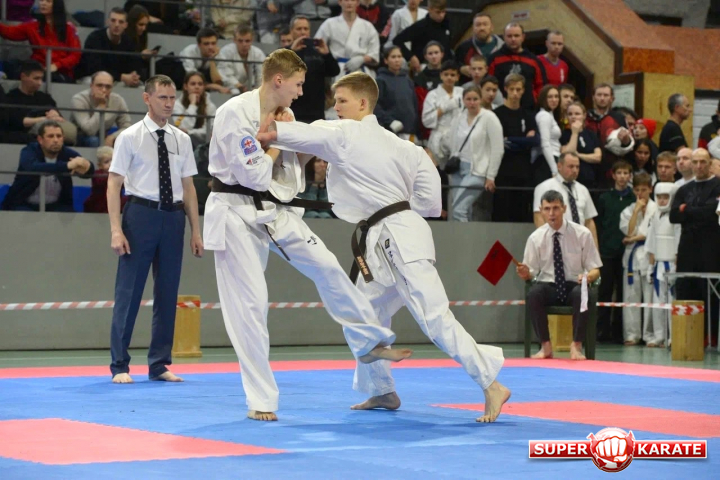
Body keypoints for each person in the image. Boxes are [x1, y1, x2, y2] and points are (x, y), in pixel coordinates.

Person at [258, 71, 510, 423]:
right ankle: (382, 390)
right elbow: (431, 203)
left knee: (434, 317)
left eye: (342, 100)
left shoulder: (346, 132)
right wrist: (394, 204)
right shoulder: (408, 147)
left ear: (363, 103)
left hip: (397, 238)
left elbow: (305, 133)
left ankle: (490, 383)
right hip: (396, 231)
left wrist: (275, 126)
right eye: (334, 101)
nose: (336, 107)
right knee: (363, 313)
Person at [204, 50, 409, 422]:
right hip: (234, 213)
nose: (301, 92)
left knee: (327, 265)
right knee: (250, 306)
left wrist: (295, 141)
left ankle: (370, 341)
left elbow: (291, 172)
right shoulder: (235, 113)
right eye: (298, 84)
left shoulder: (286, 114)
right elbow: (254, 176)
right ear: (279, 80)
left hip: (275, 209)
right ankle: (261, 399)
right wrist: (280, 139)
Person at [106, 75, 204, 384]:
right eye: (163, 97)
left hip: (173, 218)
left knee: (167, 292)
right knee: (129, 292)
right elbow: (113, 184)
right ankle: (120, 365)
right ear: (147, 98)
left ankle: (159, 364)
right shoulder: (130, 137)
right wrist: (116, 229)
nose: (169, 103)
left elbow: (189, 187)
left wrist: (196, 230)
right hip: (140, 215)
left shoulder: (181, 139)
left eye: (172, 98)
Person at [517, 189, 602, 360]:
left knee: (582, 293)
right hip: (548, 284)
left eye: (555, 208)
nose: (551, 213)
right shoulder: (535, 238)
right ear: (541, 210)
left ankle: (576, 345)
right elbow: (531, 273)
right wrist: (525, 274)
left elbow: (595, 269)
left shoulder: (582, 233)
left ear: (564, 208)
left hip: (574, 283)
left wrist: (588, 277)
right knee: (534, 294)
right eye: (547, 209)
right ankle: (545, 346)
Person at [670, 148, 720, 346]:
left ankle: (710, 335)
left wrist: (687, 210)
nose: (699, 166)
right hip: (687, 249)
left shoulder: (717, 185)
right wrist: (695, 211)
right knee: (685, 289)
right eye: (696, 162)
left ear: (709, 163)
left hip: (711, 249)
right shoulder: (684, 189)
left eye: (703, 162)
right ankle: (686, 336)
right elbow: (674, 215)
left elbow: (712, 214)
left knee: (709, 292)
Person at [1, 120, 94, 211]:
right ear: (40, 140)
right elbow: (31, 168)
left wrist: (87, 166)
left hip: (56, 206)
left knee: (68, 213)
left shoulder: (67, 153)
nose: (56, 140)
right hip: (24, 204)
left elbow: (89, 171)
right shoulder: (29, 150)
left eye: (59, 136)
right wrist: (67, 166)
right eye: (50, 136)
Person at [444, 85, 503, 222]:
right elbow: (451, 142)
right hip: (457, 169)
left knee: (459, 209)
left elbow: (498, 149)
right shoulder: (459, 117)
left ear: (481, 99)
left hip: (477, 171)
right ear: (463, 100)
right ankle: (464, 234)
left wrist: (491, 176)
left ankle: (462, 236)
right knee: (461, 210)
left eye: (475, 99)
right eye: (468, 99)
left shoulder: (489, 118)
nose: (472, 102)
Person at [595, 160, 635, 343]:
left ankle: (619, 332)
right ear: (613, 175)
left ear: (630, 176)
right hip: (606, 253)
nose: (622, 177)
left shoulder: (633, 198)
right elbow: (599, 225)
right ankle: (601, 331)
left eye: (626, 173)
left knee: (623, 294)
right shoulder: (605, 198)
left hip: (627, 253)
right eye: (619, 173)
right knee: (605, 292)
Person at [492, 73, 538, 223]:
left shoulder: (528, 115)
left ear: (523, 90)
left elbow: (534, 141)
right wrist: (523, 141)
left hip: (523, 170)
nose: (515, 93)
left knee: (521, 212)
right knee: (502, 212)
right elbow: (499, 143)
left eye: (518, 89)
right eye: (512, 89)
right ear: (505, 89)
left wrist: (510, 139)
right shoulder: (497, 114)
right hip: (503, 170)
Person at [0, 0, 81, 82]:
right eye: (42, 0)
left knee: (39, 76)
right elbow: (9, 32)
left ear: (57, 5)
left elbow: (75, 55)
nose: (43, 3)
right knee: (12, 66)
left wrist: (57, 65)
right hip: (37, 68)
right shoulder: (33, 26)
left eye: (48, 1)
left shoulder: (69, 28)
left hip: (60, 72)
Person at [619, 172, 656, 346]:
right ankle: (632, 334)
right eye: (637, 190)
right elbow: (628, 231)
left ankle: (650, 335)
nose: (640, 194)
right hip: (632, 258)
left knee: (650, 297)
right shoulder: (628, 210)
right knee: (631, 297)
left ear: (650, 189)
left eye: (644, 190)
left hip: (649, 256)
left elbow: (649, 234)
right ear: (633, 191)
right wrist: (635, 211)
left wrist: (633, 238)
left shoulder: (656, 209)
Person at [533, 152, 599, 247]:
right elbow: (539, 218)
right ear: (559, 166)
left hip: (581, 243)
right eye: (571, 166)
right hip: (556, 242)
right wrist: (547, 244)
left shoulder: (583, 189)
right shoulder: (544, 187)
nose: (575, 170)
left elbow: (589, 221)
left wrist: (595, 249)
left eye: (577, 167)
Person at [645, 182, 680, 347]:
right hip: (658, 264)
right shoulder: (655, 216)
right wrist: (650, 267)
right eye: (659, 197)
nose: (662, 201)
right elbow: (652, 243)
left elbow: (679, 243)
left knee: (672, 301)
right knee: (658, 302)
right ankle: (659, 336)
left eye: (666, 197)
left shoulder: (676, 217)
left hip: (671, 264)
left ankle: (673, 336)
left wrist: (676, 267)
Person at [287, 15, 340, 123]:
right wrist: (292, 52)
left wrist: (327, 54)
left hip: (316, 112)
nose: (303, 32)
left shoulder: (318, 51)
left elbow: (334, 71)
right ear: (291, 31)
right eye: (299, 29)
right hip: (292, 111)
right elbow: (280, 71)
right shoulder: (285, 52)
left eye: (305, 29)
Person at [74, 7, 144, 87]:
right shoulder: (95, 38)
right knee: (99, 83)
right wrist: (122, 77)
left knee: (140, 86)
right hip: (91, 77)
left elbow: (134, 64)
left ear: (126, 25)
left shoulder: (128, 41)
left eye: (121, 22)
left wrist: (134, 75)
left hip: (117, 80)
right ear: (107, 22)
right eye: (113, 20)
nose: (117, 25)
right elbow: (94, 68)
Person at [314, 0, 380, 80]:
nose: (349, 3)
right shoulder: (329, 24)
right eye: (346, 0)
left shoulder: (368, 26)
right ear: (340, 2)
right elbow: (317, 45)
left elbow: (374, 52)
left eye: (352, 0)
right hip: (338, 70)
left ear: (357, 3)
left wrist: (362, 59)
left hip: (361, 71)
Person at [487, 23, 546, 109]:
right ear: (504, 37)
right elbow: (488, 84)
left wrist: (535, 101)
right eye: (509, 36)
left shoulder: (533, 60)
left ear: (523, 37)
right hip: (501, 108)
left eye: (516, 36)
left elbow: (541, 85)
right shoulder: (494, 59)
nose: (513, 39)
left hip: (528, 109)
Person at [72, 71, 133, 147]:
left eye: (108, 87)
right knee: (94, 141)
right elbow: (89, 131)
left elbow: (127, 127)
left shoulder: (117, 100)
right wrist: (101, 106)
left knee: (126, 139)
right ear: (91, 86)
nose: (104, 90)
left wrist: (113, 136)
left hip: (105, 133)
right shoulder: (79, 99)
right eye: (99, 85)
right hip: (82, 136)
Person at [421, 61, 462, 170]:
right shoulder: (432, 95)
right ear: (441, 75)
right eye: (446, 74)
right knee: (437, 171)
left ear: (457, 77)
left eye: (452, 75)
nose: (449, 77)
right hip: (438, 137)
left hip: (458, 136)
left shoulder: (462, 93)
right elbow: (426, 120)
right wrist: (443, 109)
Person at [393, 0, 452, 74]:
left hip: (444, 68)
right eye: (438, 12)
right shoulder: (420, 26)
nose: (441, 15)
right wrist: (411, 57)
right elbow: (397, 40)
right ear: (430, 9)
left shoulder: (446, 24)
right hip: (423, 68)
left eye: (443, 12)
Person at [374, 45, 418, 141]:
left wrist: (416, 128)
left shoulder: (407, 80)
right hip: (391, 131)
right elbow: (374, 105)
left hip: (409, 131)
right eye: (393, 57)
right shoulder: (380, 80)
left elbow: (414, 105)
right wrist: (390, 121)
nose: (397, 60)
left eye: (399, 56)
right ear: (386, 60)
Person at [561, 102, 601, 189]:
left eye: (577, 114)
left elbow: (597, 157)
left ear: (584, 115)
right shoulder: (564, 134)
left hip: (591, 179)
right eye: (570, 114)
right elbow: (569, 154)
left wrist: (578, 155)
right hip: (572, 179)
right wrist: (575, 133)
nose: (573, 117)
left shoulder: (591, 134)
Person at [172, 72, 217, 147]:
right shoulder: (177, 105)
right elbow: (181, 126)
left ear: (204, 87)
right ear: (185, 86)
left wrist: (189, 132)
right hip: (181, 144)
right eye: (193, 84)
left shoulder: (210, 106)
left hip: (204, 146)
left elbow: (209, 131)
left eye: (200, 84)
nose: (197, 87)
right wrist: (193, 105)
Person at [218, 25, 267, 95]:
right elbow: (225, 75)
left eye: (247, 41)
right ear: (234, 40)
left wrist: (257, 90)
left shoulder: (258, 54)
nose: (244, 44)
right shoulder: (226, 52)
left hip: (253, 89)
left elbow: (262, 76)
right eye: (240, 41)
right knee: (235, 92)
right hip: (232, 88)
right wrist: (239, 86)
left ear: (252, 40)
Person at [179, 28, 230, 94]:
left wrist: (212, 60)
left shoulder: (220, 56)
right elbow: (193, 80)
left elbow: (218, 82)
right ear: (199, 45)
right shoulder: (189, 52)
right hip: (183, 79)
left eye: (213, 43)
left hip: (204, 83)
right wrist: (214, 86)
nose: (210, 47)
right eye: (206, 44)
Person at [454, 13, 503, 78]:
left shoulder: (504, 46)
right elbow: (453, 65)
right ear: (473, 28)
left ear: (492, 27)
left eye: (485, 24)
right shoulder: (463, 48)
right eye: (478, 25)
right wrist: (460, 69)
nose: (482, 28)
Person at [534, 84, 562, 185]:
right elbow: (545, 143)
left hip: (554, 158)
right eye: (550, 97)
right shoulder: (544, 116)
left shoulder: (550, 115)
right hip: (547, 161)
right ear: (543, 99)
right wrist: (554, 170)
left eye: (556, 96)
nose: (554, 100)